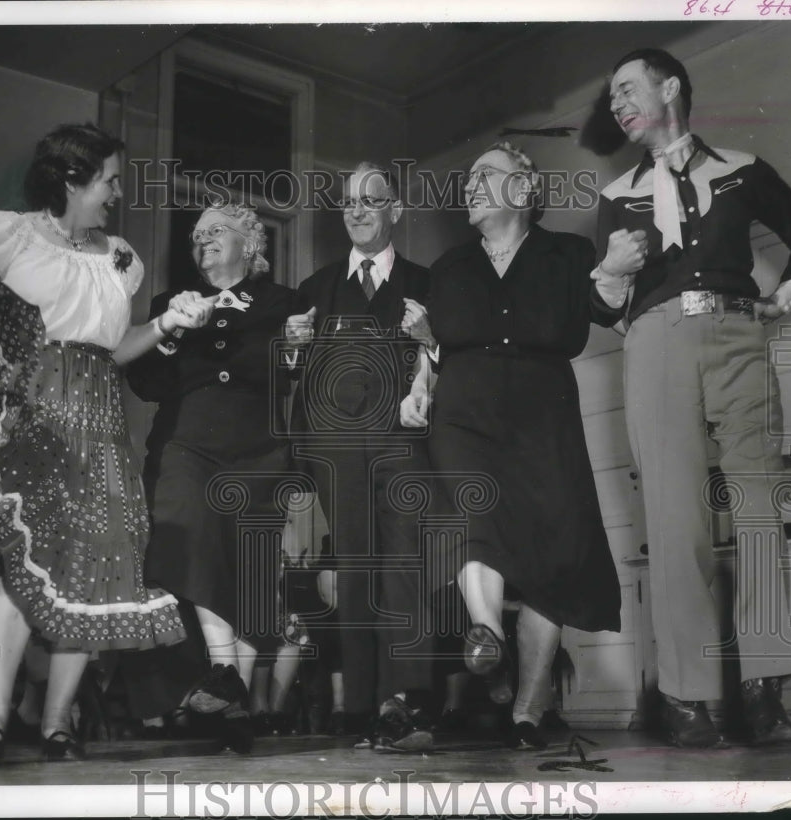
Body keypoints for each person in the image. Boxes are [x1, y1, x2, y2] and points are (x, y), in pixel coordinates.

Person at [0, 123, 202, 765]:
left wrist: (164, 322)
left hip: (100, 423)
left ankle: (59, 723)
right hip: (27, 417)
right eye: (109, 178)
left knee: (92, 571)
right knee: (17, 567)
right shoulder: (10, 235)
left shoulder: (121, 258)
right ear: (71, 179)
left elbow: (114, 349)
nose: (117, 190)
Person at [583, 49, 791, 747]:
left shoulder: (742, 170)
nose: (618, 106)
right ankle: (687, 699)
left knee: (757, 511)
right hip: (655, 342)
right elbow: (603, 311)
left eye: (628, 90)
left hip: (737, 335)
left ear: (670, 87)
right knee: (675, 523)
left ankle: (762, 692)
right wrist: (608, 274)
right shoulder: (616, 198)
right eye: (611, 98)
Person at [401, 141, 621, 751]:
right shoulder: (449, 267)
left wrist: (621, 269)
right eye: (468, 178)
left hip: (542, 411)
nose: (470, 186)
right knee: (474, 517)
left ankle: (530, 704)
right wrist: (420, 385)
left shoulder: (568, 253)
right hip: (464, 410)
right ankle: (484, 634)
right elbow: (435, 347)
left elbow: (605, 308)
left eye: (484, 176)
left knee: (553, 547)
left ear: (523, 192)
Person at [124, 202, 298, 753]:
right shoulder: (170, 304)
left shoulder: (283, 303)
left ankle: (234, 699)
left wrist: (293, 352)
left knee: (249, 564)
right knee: (187, 529)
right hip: (187, 440)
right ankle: (225, 671)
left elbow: (291, 378)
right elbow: (147, 385)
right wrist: (171, 331)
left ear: (251, 243)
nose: (202, 241)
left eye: (216, 232)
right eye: (196, 236)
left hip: (258, 445)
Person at [285, 162, 435, 752]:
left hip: (402, 444)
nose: (357, 210)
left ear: (394, 210)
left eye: (370, 200)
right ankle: (364, 708)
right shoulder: (314, 290)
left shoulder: (426, 281)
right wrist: (294, 351)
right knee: (353, 573)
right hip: (337, 449)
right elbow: (295, 378)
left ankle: (409, 701)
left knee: (403, 568)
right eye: (348, 202)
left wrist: (428, 339)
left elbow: (440, 361)